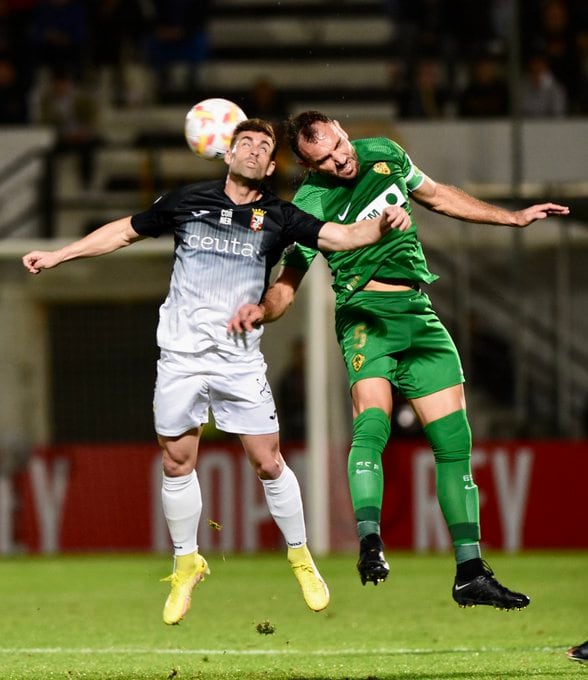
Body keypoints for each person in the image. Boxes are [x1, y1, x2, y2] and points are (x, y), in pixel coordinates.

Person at [22, 117, 410, 625]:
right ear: (227, 155)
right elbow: (124, 231)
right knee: (176, 461)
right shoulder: (188, 201)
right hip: (180, 356)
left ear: (272, 166)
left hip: (238, 358)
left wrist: (381, 224)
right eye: (243, 142)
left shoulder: (279, 216)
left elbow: (337, 236)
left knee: (268, 461)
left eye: (263, 146)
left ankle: (299, 554)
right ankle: (187, 561)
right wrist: (59, 254)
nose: (252, 150)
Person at [228, 110, 570, 610]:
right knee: (373, 423)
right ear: (308, 165)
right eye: (323, 160)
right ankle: (369, 543)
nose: (340, 160)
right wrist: (264, 310)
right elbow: (289, 280)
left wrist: (511, 217)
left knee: (455, 444)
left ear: (344, 130)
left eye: (339, 146)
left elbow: (438, 196)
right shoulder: (309, 203)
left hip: (419, 314)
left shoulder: (385, 154)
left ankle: (471, 572)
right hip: (366, 315)